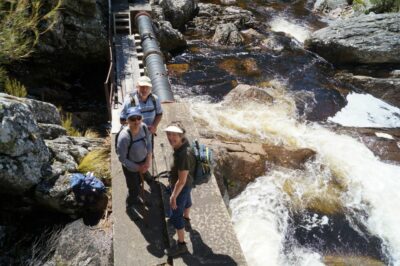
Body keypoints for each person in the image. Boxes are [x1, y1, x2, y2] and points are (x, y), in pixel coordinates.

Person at [164, 122, 196, 257]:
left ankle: (181, 245)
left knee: (176, 215)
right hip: (188, 183)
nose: (171, 137)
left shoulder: (183, 155)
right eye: (169, 134)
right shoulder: (183, 144)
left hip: (182, 186)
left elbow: (181, 181)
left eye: (174, 135)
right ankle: (187, 218)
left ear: (181, 136)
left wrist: (173, 196)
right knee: (187, 200)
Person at [117, 106, 152, 206]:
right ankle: (131, 202)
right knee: (134, 188)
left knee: (141, 181)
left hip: (143, 161)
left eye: (139, 118)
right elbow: (122, 158)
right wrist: (138, 167)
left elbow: (149, 143)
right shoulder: (124, 137)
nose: (136, 122)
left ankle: (144, 180)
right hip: (131, 168)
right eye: (132, 119)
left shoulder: (144, 127)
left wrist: (148, 160)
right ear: (127, 120)